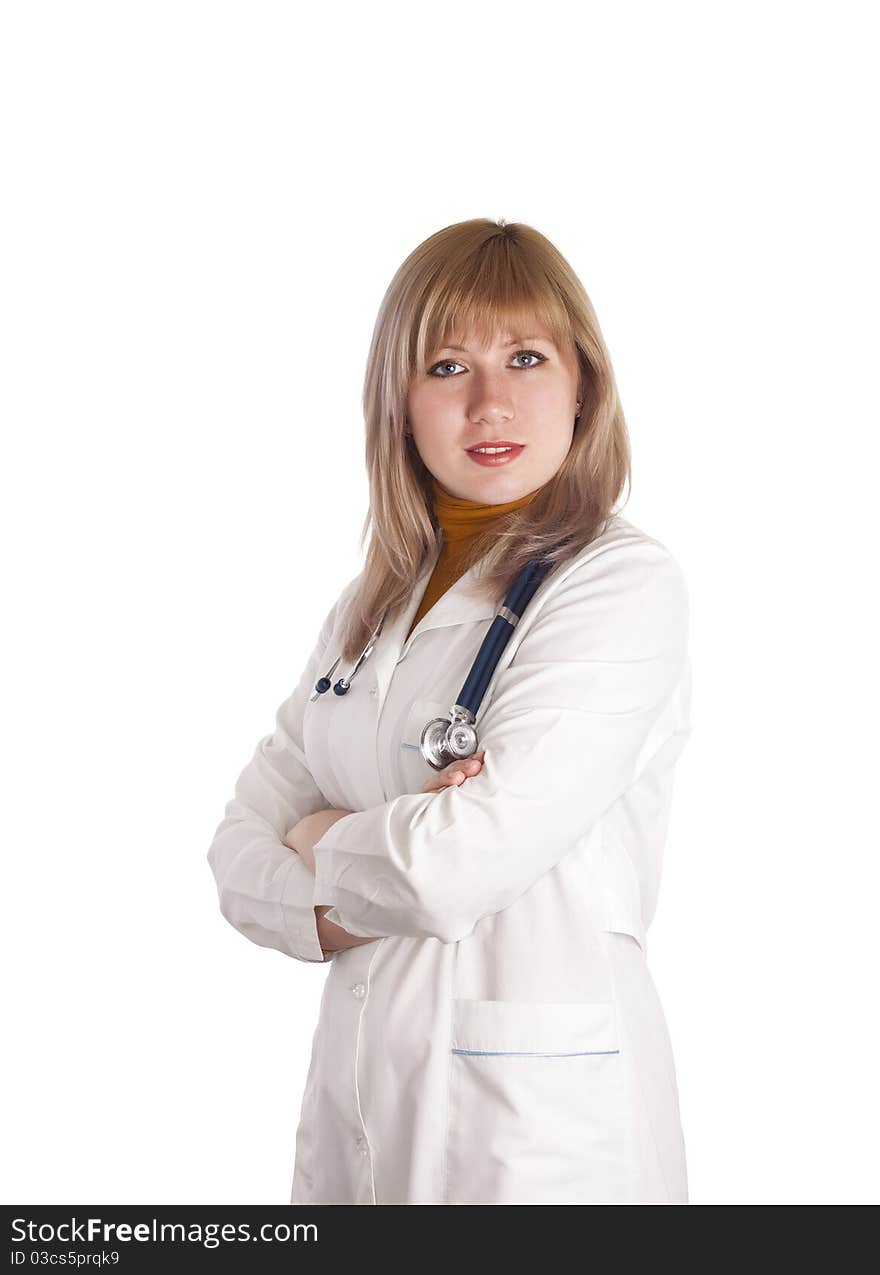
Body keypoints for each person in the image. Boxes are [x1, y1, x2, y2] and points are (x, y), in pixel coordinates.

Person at [206, 217, 693, 1205]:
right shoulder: (370, 605)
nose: (489, 402)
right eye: (445, 365)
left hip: (541, 1141)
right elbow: (235, 857)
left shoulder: (617, 586)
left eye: (525, 357)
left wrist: (320, 834)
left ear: (582, 387)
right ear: (400, 402)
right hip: (359, 1118)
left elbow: (452, 867)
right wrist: (362, 857)